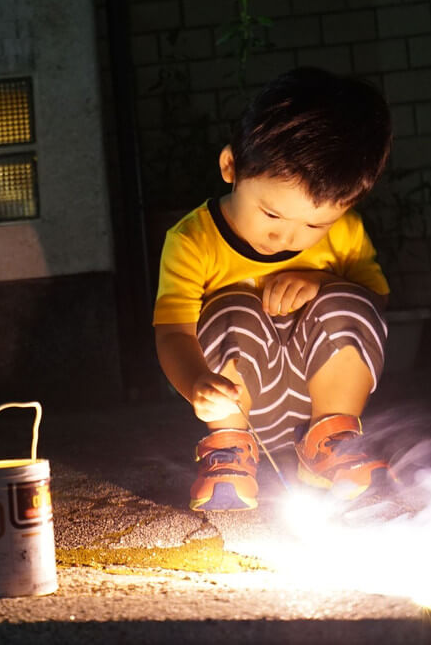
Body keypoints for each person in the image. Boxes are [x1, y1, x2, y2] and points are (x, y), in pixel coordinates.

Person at [153, 67, 394, 511]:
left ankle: (331, 442)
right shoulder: (192, 240)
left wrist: (321, 281)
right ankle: (228, 454)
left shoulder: (346, 233)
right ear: (232, 166)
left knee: (348, 297)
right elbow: (173, 332)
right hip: (241, 404)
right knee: (232, 309)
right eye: (272, 215)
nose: (287, 238)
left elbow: (372, 306)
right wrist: (196, 382)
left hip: (317, 398)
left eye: (314, 224)